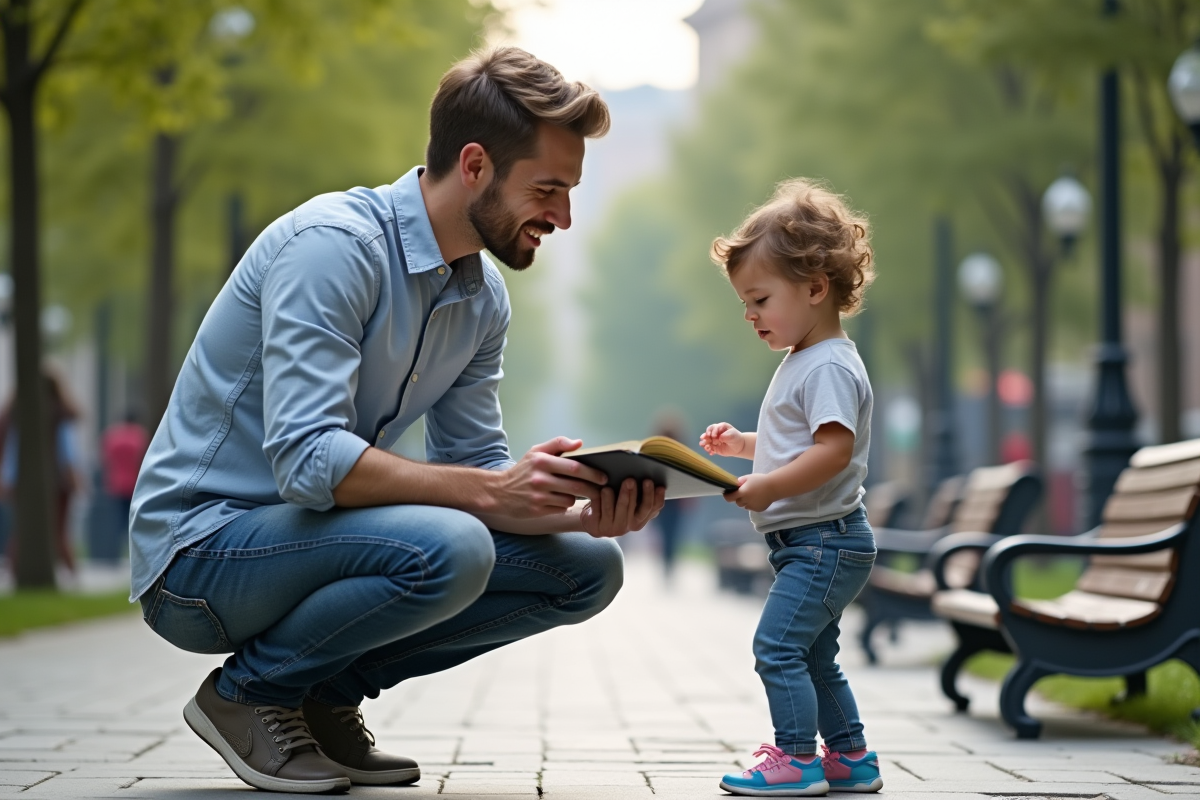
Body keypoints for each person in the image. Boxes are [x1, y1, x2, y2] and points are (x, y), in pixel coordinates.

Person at [129, 47, 665, 795]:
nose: (564, 218)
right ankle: (249, 695)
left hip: (306, 543)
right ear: (475, 164)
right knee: (453, 545)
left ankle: (321, 696)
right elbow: (310, 461)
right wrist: (489, 495)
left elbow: (479, 472)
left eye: (571, 192)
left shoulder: (480, 300)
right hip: (199, 557)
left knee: (585, 573)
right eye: (548, 189)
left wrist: (576, 508)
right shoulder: (335, 249)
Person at [700, 179, 883, 796]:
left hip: (823, 542)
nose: (750, 314)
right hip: (816, 543)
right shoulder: (808, 359)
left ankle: (797, 759)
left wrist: (766, 486)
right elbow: (801, 440)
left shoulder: (827, 363)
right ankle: (851, 758)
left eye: (759, 299)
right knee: (811, 656)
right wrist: (744, 445)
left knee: (776, 646)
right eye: (745, 303)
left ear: (813, 288)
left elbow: (831, 452)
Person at [0, 369, 83, 575]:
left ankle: (17, 571)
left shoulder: (18, 413)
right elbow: (67, 452)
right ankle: (70, 572)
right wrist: (73, 476)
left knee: (23, 529)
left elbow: (13, 449)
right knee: (59, 530)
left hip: (25, 483)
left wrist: (9, 478)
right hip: (57, 482)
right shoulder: (59, 413)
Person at [97, 412, 149, 561]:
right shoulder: (139, 436)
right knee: (132, 520)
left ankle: (113, 554)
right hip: (134, 484)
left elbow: (105, 459)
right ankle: (133, 554)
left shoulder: (112, 436)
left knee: (116, 520)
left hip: (116, 484)